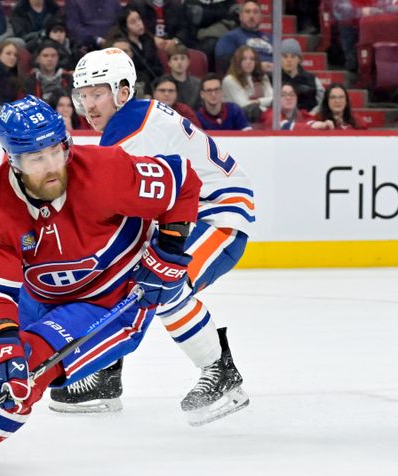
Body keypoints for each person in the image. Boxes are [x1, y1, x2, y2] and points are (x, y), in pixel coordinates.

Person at [0, 95, 203, 476]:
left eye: (57, 151)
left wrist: (169, 249)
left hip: (111, 298)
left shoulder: (106, 172)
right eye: (36, 159)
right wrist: (2, 338)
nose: (53, 167)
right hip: (41, 293)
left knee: (25, 374)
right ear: (12, 160)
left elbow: (183, 181)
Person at [60, 48, 253, 424]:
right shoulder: (129, 121)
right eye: (82, 95)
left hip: (217, 218)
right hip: (185, 216)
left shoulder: (134, 130)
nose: (88, 105)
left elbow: (115, 205)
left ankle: (223, 374)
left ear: (122, 91)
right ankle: (106, 375)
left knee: (165, 284)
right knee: (117, 278)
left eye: (97, 93)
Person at [110, 6, 162, 95]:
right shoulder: (123, 45)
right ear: (126, 27)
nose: (139, 24)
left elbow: (157, 65)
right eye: (133, 22)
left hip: (154, 81)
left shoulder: (149, 40)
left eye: (139, 19)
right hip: (136, 84)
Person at [214, 0, 273, 75]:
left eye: (255, 12)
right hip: (245, 79)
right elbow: (224, 63)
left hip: (275, 78)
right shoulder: (230, 37)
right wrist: (257, 66)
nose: (251, 16)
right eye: (247, 12)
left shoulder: (271, 38)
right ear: (240, 17)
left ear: (261, 17)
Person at [222, 45, 273, 123]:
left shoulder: (263, 77)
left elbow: (274, 99)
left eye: (252, 59)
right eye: (244, 59)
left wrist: (258, 102)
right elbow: (245, 106)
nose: (248, 62)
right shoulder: (229, 80)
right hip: (239, 122)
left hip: (265, 117)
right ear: (237, 61)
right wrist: (264, 102)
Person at [280, 37, 324, 113]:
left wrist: (311, 115)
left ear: (299, 59)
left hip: (308, 121)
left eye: (293, 56)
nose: (289, 60)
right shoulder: (272, 79)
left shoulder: (312, 79)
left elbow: (324, 102)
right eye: (285, 56)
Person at [23, 39, 73, 104]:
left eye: (53, 56)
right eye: (45, 56)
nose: (49, 59)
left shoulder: (68, 78)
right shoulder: (29, 80)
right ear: (38, 59)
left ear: (58, 58)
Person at [166, 43, 201, 109]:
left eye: (182, 58)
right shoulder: (161, 85)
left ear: (188, 61)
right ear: (169, 63)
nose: (179, 62)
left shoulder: (198, 85)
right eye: (175, 59)